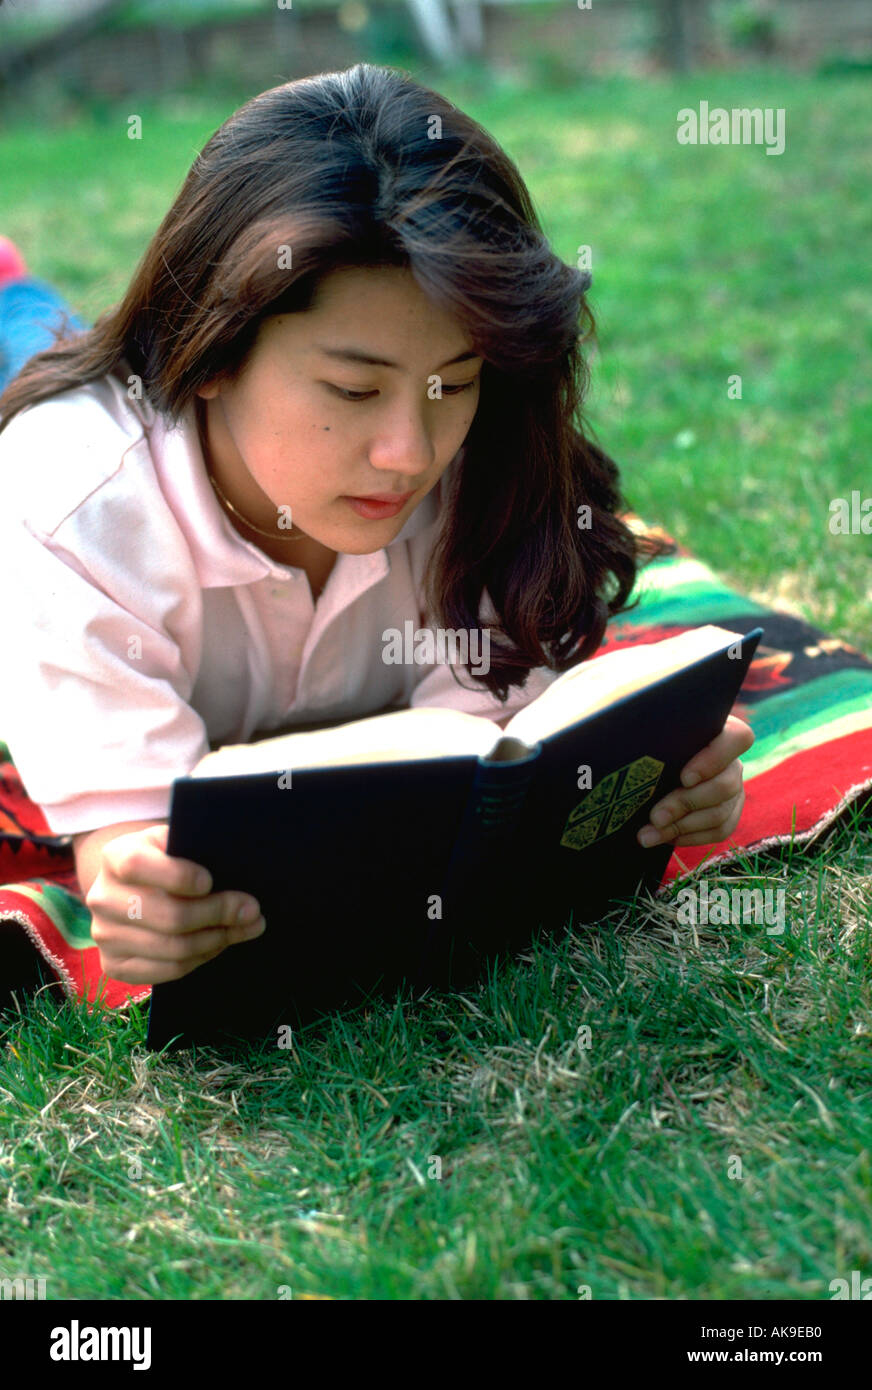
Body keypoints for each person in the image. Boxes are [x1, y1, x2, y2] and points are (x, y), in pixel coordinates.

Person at [0, 63, 753, 1004]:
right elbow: (134, 845)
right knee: (31, 342)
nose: (409, 454)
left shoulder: (487, 466)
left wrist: (646, 787)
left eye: (456, 379)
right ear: (212, 351)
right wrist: (144, 894)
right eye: (354, 390)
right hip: (59, 415)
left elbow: (496, 760)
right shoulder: (69, 502)